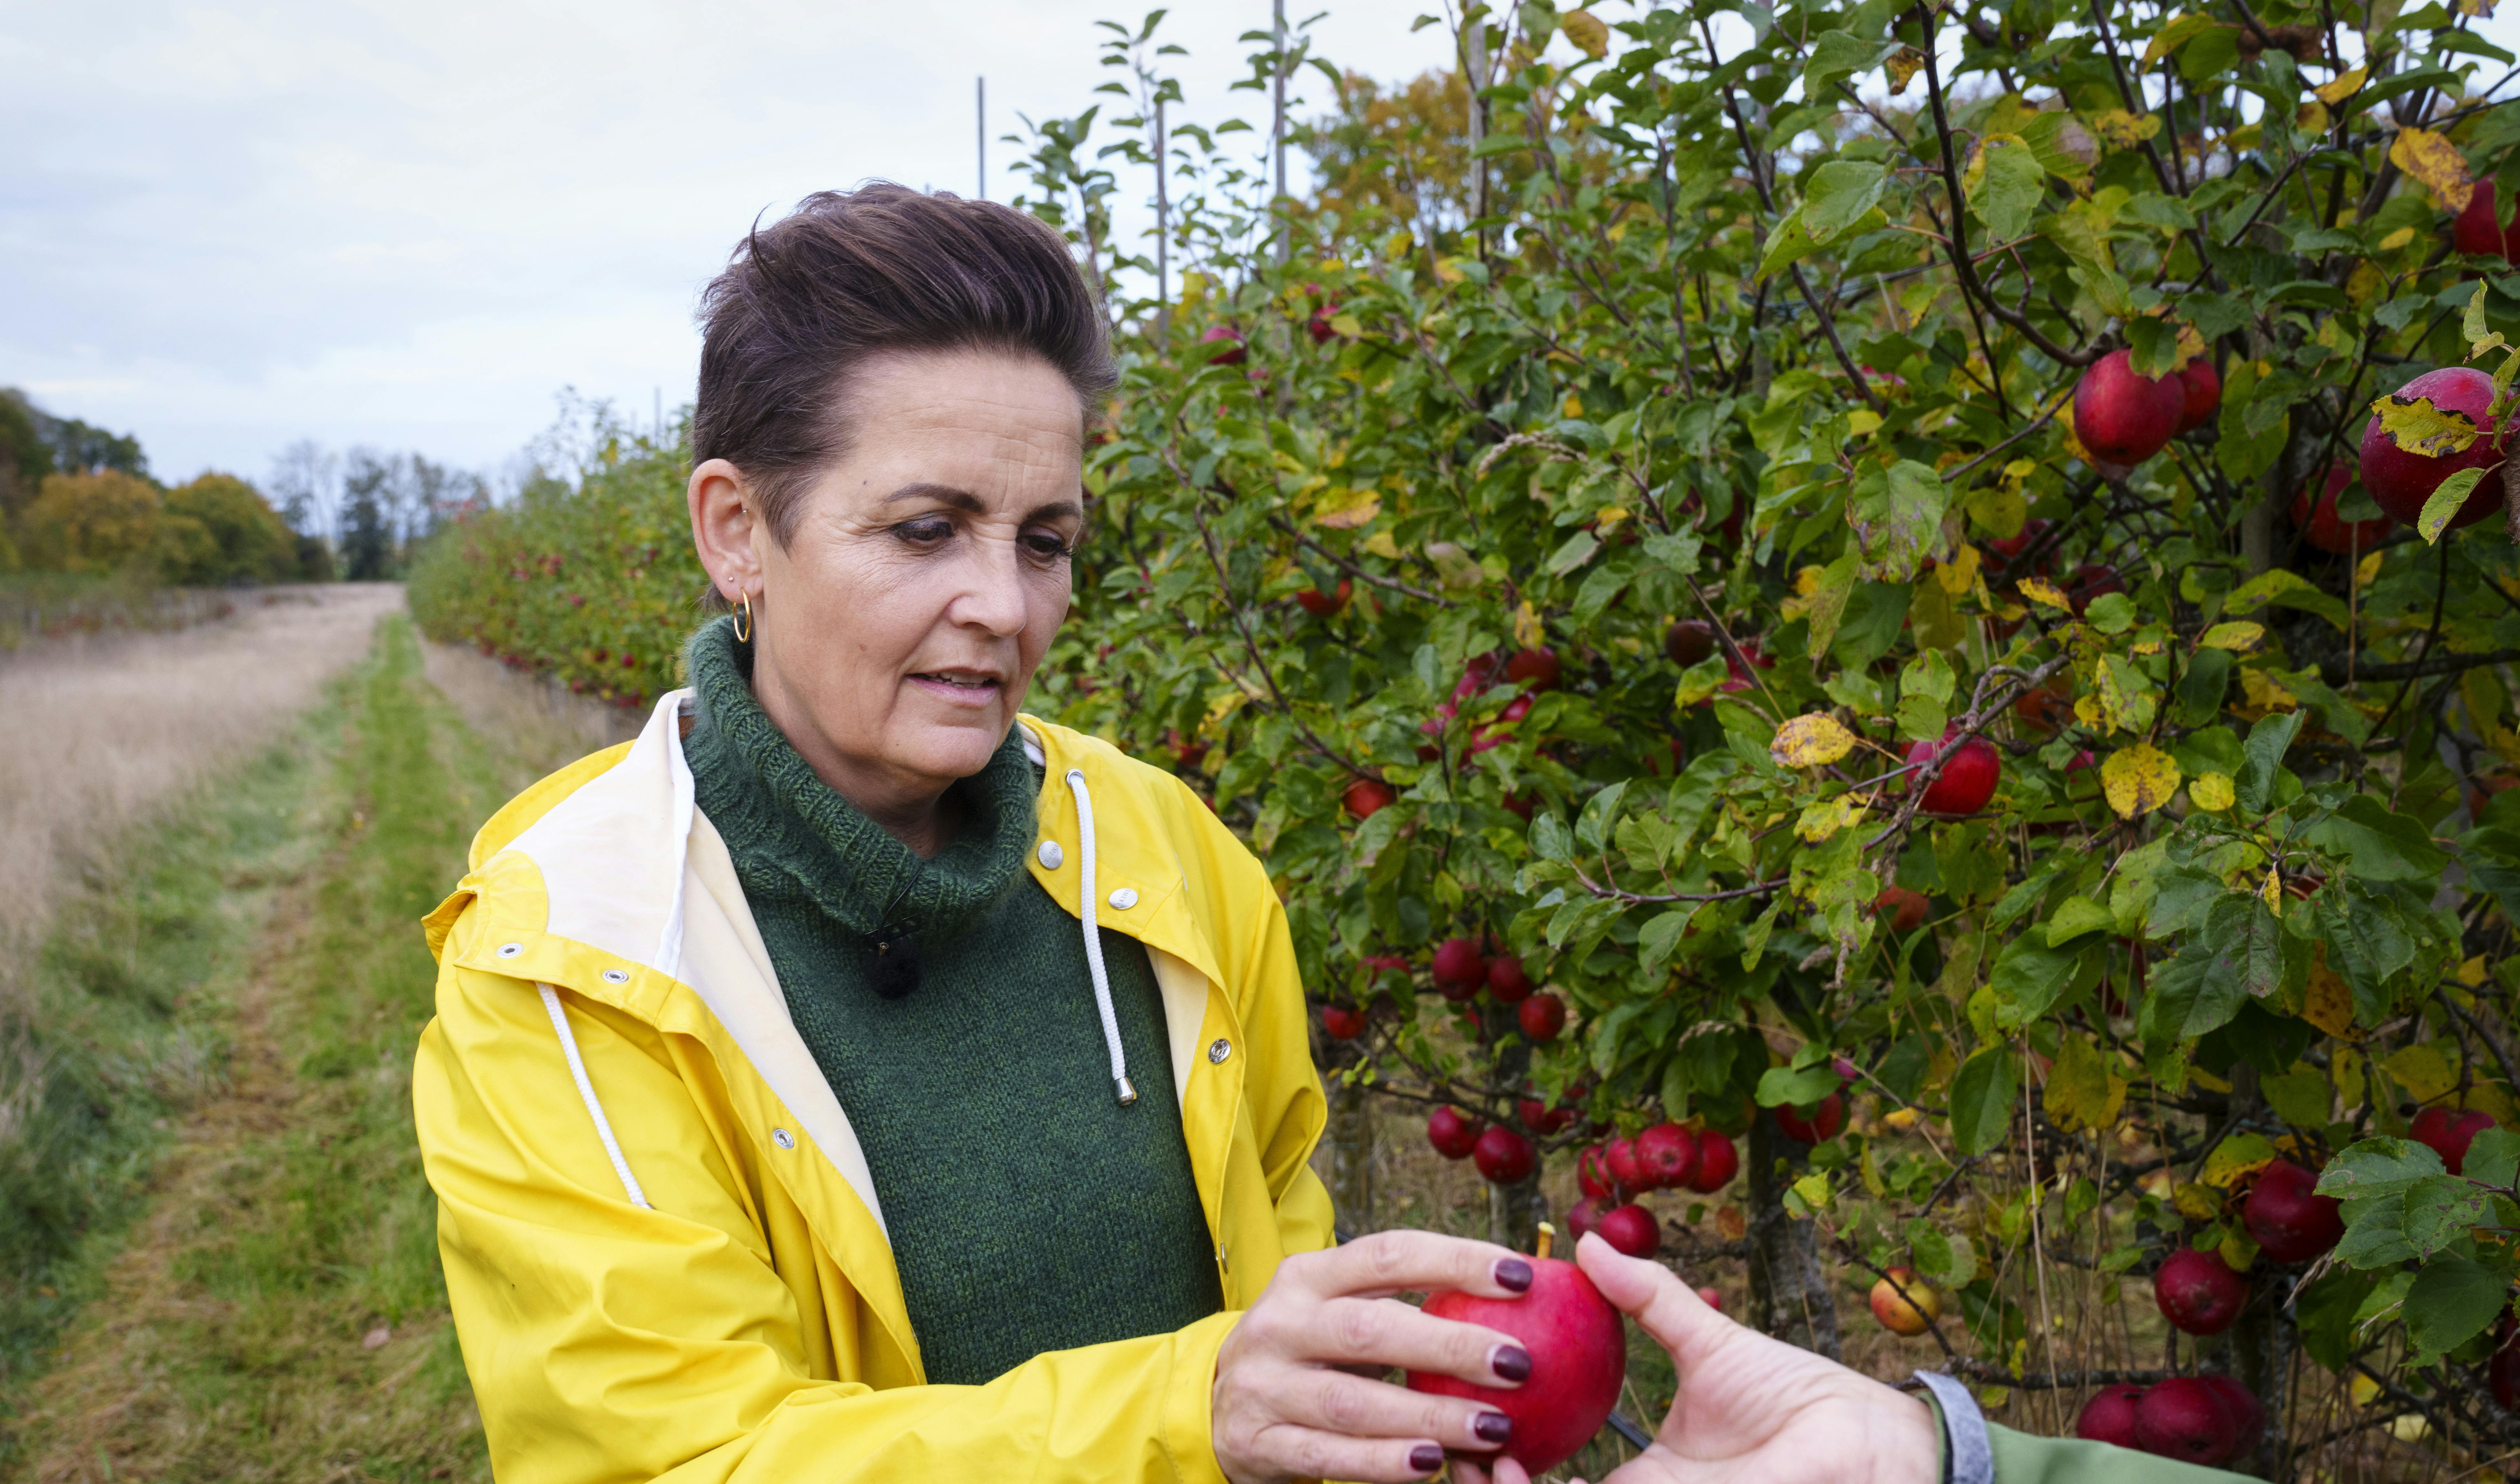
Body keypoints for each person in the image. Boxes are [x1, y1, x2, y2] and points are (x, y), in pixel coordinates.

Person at [410, 185, 2240, 1484]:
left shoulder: (1159, 854)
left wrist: (1358, 1422)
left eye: (1044, 537)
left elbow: (1265, 1257)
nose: (1005, 605)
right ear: (739, 530)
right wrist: (1198, 1421)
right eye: (924, 529)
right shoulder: (572, 953)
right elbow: (673, 1461)